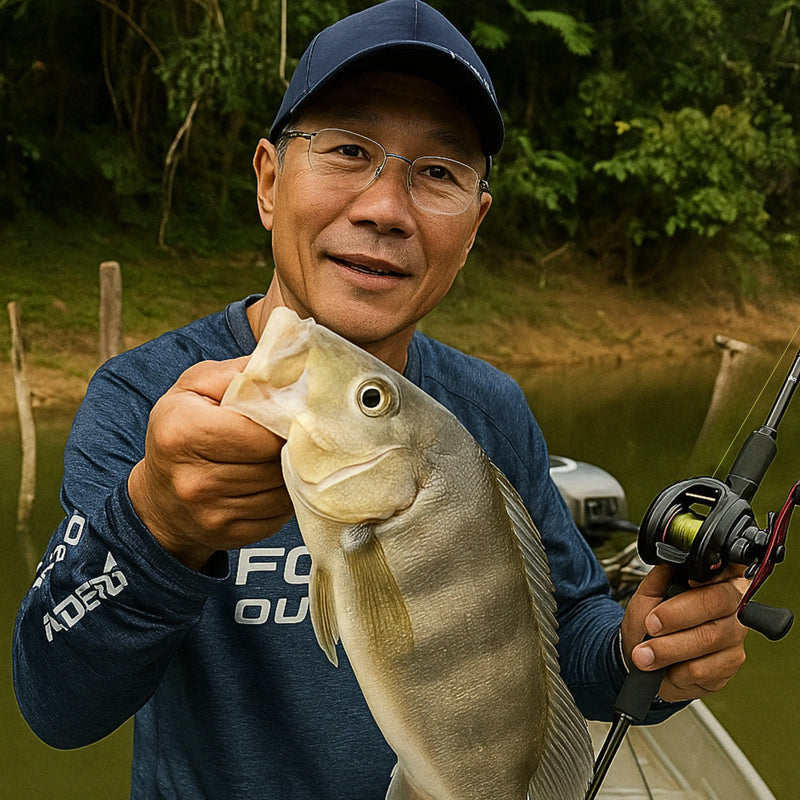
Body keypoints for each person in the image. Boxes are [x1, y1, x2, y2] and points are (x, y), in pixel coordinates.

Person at [13, 1, 747, 798]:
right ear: (268, 180)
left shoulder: (491, 408)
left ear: (473, 228)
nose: (384, 209)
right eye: (348, 149)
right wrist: (155, 524)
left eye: (437, 173)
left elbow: (569, 636)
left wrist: (646, 650)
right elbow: (57, 706)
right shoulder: (140, 397)